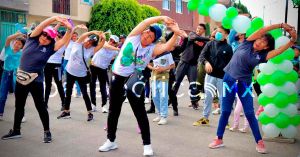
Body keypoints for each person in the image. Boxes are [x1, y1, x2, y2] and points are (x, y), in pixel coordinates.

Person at [98, 16, 183, 156]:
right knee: (113, 111)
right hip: (117, 78)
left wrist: (175, 32)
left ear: (153, 40)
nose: (147, 36)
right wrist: (161, 18)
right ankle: (111, 140)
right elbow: (144, 23)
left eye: (151, 36)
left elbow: (167, 46)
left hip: (134, 80)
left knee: (140, 113)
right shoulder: (133, 36)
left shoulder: (152, 49)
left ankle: (147, 145)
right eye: (147, 32)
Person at [208, 23, 297, 154]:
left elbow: (280, 51)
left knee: (249, 113)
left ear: (266, 47)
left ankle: (259, 142)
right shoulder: (247, 43)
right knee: (226, 111)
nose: (260, 42)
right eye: (260, 39)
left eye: (264, 42)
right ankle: (218, 139)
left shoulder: (263, 56)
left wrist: (292, 40)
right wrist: (281, 25)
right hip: (229, 80)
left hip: (244, 84)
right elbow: (263, 30)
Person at [1, 16, 73, 143]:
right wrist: (54, 18)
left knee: (40, 107)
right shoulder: (32, 39)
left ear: (51, 39)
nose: (45, 37)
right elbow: (41, 26)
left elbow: (64, 41)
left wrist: (69, 29)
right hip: (20, 78)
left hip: (36, 81)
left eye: (49, 37)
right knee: (19, 106)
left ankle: (47, 131)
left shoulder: (51, 48)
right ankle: (16, 130)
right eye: (44, 34)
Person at [57, 30, 106, 121]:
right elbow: (83, 35)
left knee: (84, 94)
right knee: (68, 93)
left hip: (81, 74)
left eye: (91, 42)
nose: (88, 43)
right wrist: (93, 32)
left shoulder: (92, 50)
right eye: (88, 40)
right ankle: (67, 111)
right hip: (70, 72)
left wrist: (103, 37)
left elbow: (102, 44)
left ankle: (90, 112)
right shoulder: (78, 44)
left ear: (93, 45)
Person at [194, 26, 233, 126]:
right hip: (210, 76)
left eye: (220, 32)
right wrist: (206, 62)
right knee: (208, 97)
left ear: (226, 35)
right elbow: (202, 56)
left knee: (222, 99)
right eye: (216, 31)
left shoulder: (228, 48)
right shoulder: (210, 44)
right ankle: (205, 118)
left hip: (222, 78)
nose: (217, 33)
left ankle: (225, 121)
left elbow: (230, 65)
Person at [171, 23, 209, 110]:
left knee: (193, 85)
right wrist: (208, 38)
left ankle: (194, 102)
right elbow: (193, 38)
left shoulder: (205, 42)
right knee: (176, 82)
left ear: (204, 31)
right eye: (198, 28)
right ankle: (171, 100)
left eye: (201, 29)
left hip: (193, 64)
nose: (198, 30)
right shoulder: (192, 34)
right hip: (183, 62)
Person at [90, 35, 120, 113]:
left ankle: (104, 105)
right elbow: (106, 46)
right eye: (111, 40)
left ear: (116, 43)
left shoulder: (115, 52)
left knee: (103, 87)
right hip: (93, 66)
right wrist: (118, 48)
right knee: (92, 85)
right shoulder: (104, 43)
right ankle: (93, 104)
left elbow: (116, 57)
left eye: (114, 42)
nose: (111, 42)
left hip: (103, 69)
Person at [0, 32, 26, 120]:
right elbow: (8, 38)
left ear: (22, 46)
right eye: (16, 42)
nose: (17, 45)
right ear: (13, 42)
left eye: (20, 44)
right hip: (6, 74)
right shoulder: (8, 49)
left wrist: (27, 36)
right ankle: (0, 112)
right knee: (2, 95)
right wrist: (19, 34)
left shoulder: (22, 53)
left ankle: (21, 115)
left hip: (16, 74)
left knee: (18, 96)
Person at [148, 50, 175, 125]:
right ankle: (159, 113)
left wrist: (163, 69)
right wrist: (154, 69)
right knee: (154, 96)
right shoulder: (152, 52)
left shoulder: (167, 53)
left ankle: (164, 116)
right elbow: (148, 64)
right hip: (154, 76)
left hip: (163, 77)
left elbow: (173, 65)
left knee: (163, 96)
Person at [62, 31, 82, 97]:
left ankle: (78, 92)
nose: (74, 37)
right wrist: (74, 29)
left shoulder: (78, 43)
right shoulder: (68, 41)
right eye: (73, 36)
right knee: (66, 77)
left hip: (74, 62)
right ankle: (65, 92)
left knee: (76, 77)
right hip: (66, 61)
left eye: (75, 36)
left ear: (77, 37)